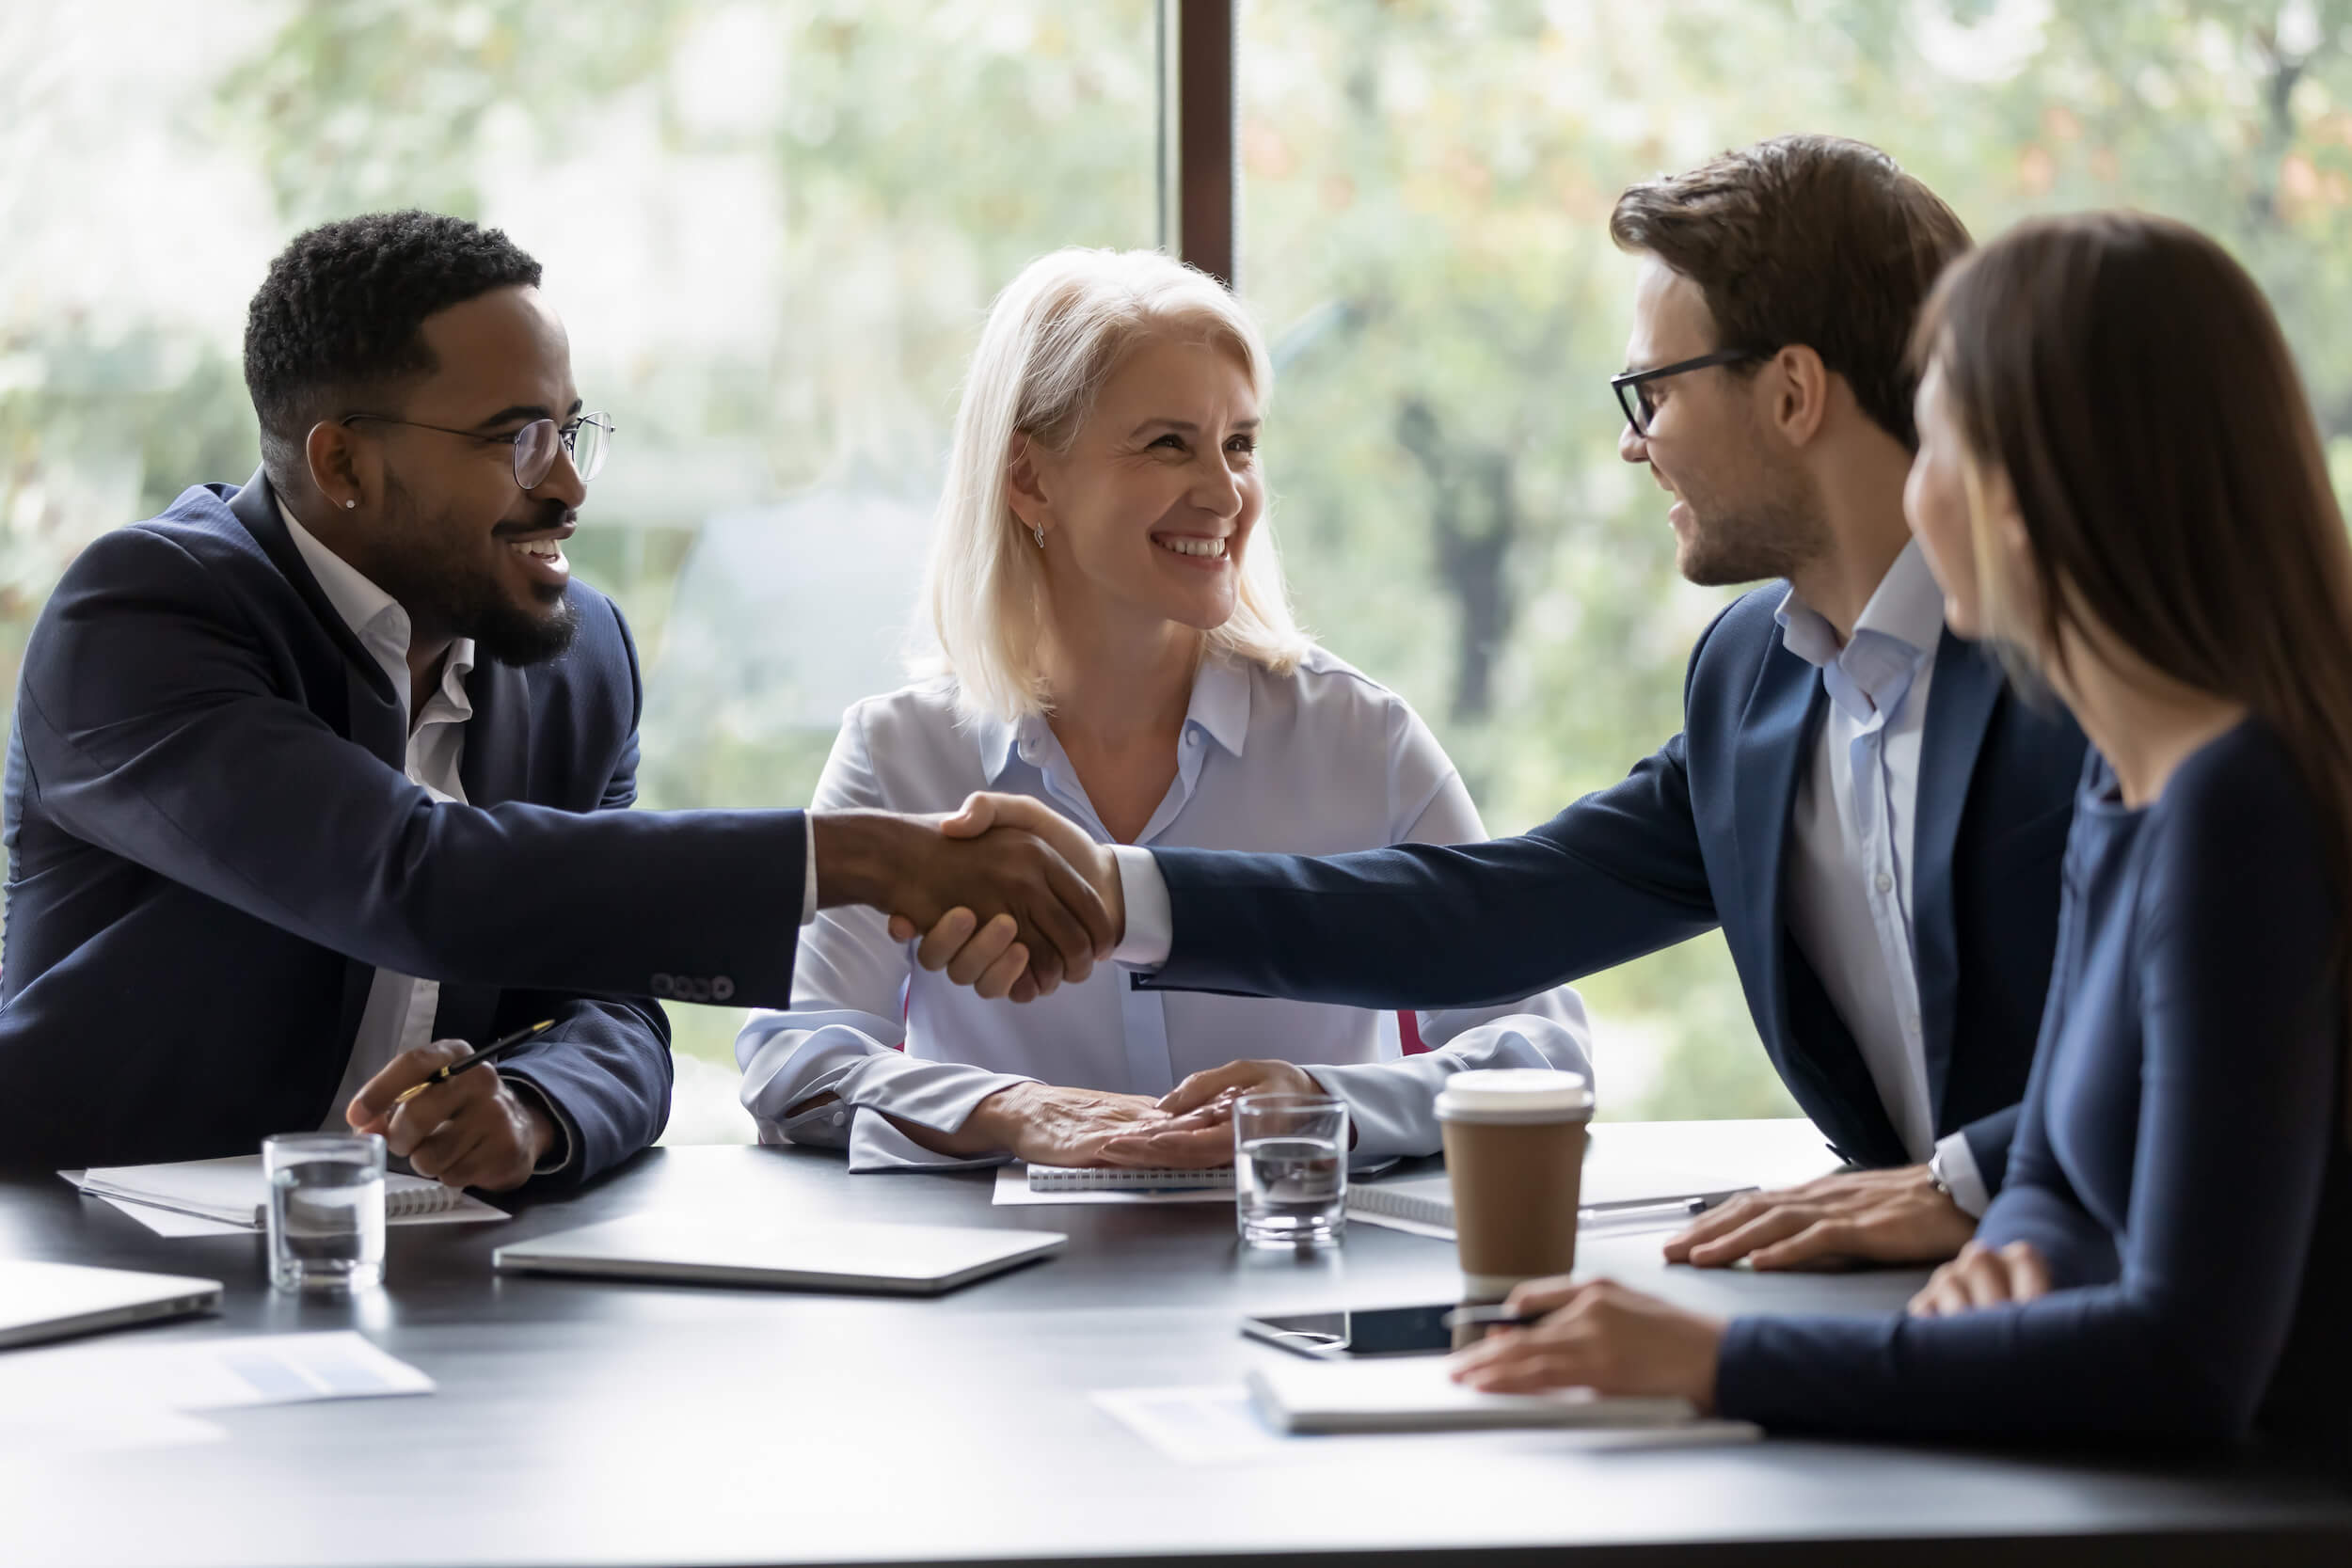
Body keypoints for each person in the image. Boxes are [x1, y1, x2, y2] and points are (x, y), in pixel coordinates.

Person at [918, 136, 2085, 1265]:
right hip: (1919, 1318)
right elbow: (1490, 910)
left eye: (1652, 391)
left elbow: (2220, 1029)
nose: (1637, 446)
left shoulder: (2096, 658)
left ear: (1790, 394)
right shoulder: (1753, 681)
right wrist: (1106, 890)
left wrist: (1963, 1181)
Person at [1448, 212, 2352, 1451]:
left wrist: (1717, 1356)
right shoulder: (2129, 789)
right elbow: (2060, 1170)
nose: (1911, 489)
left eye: (1938, 437)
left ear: (2037, 490)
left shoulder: (2237, 814)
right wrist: (2017, 1255)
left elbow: (2183, 1364)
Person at [0, 212, 1112, 1186]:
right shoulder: (143, 621)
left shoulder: (578, 660)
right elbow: (410, 875)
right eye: (515, 437)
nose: (569, 483)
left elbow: (615, 1008)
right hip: (96, 1265)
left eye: (571, 429)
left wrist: (532, 1109)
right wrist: (867, 858)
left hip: (431, 1276)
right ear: (342, 463)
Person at [735, 248, 1591, 1171]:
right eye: (1168, 444)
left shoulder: (1359, 738)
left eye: (1241, 444)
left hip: (1296, 1274)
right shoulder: (902, 751)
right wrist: (1010, 1109)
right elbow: (796, 1057)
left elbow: (1540, 1049)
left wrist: (1322, 1104)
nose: (1224, 493)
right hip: (1005, 1298)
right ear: (1028, 480)